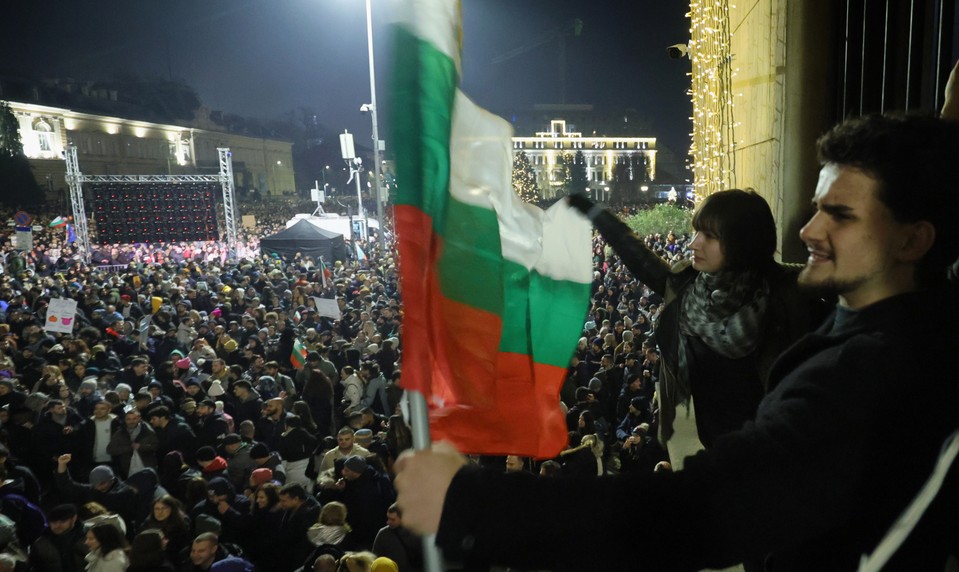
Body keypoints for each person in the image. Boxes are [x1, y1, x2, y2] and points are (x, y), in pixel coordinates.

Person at [393, 114, 959, 571]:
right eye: (815, 207)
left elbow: (698, 514)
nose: (809, 229)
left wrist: (471, 503)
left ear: (914, 239)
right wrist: (594, 212)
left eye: (839, 214)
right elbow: (643, 261)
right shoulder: (914, 325)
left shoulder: (864, 373)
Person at [571, 188, 823, 451]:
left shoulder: (789, 295)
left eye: (710, 236)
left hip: (777, 452)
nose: (694, 243)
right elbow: (641, 259)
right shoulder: (687, 289)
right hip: (717, 446)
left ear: (743, 242)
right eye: (696, 232)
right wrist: (596, 214)